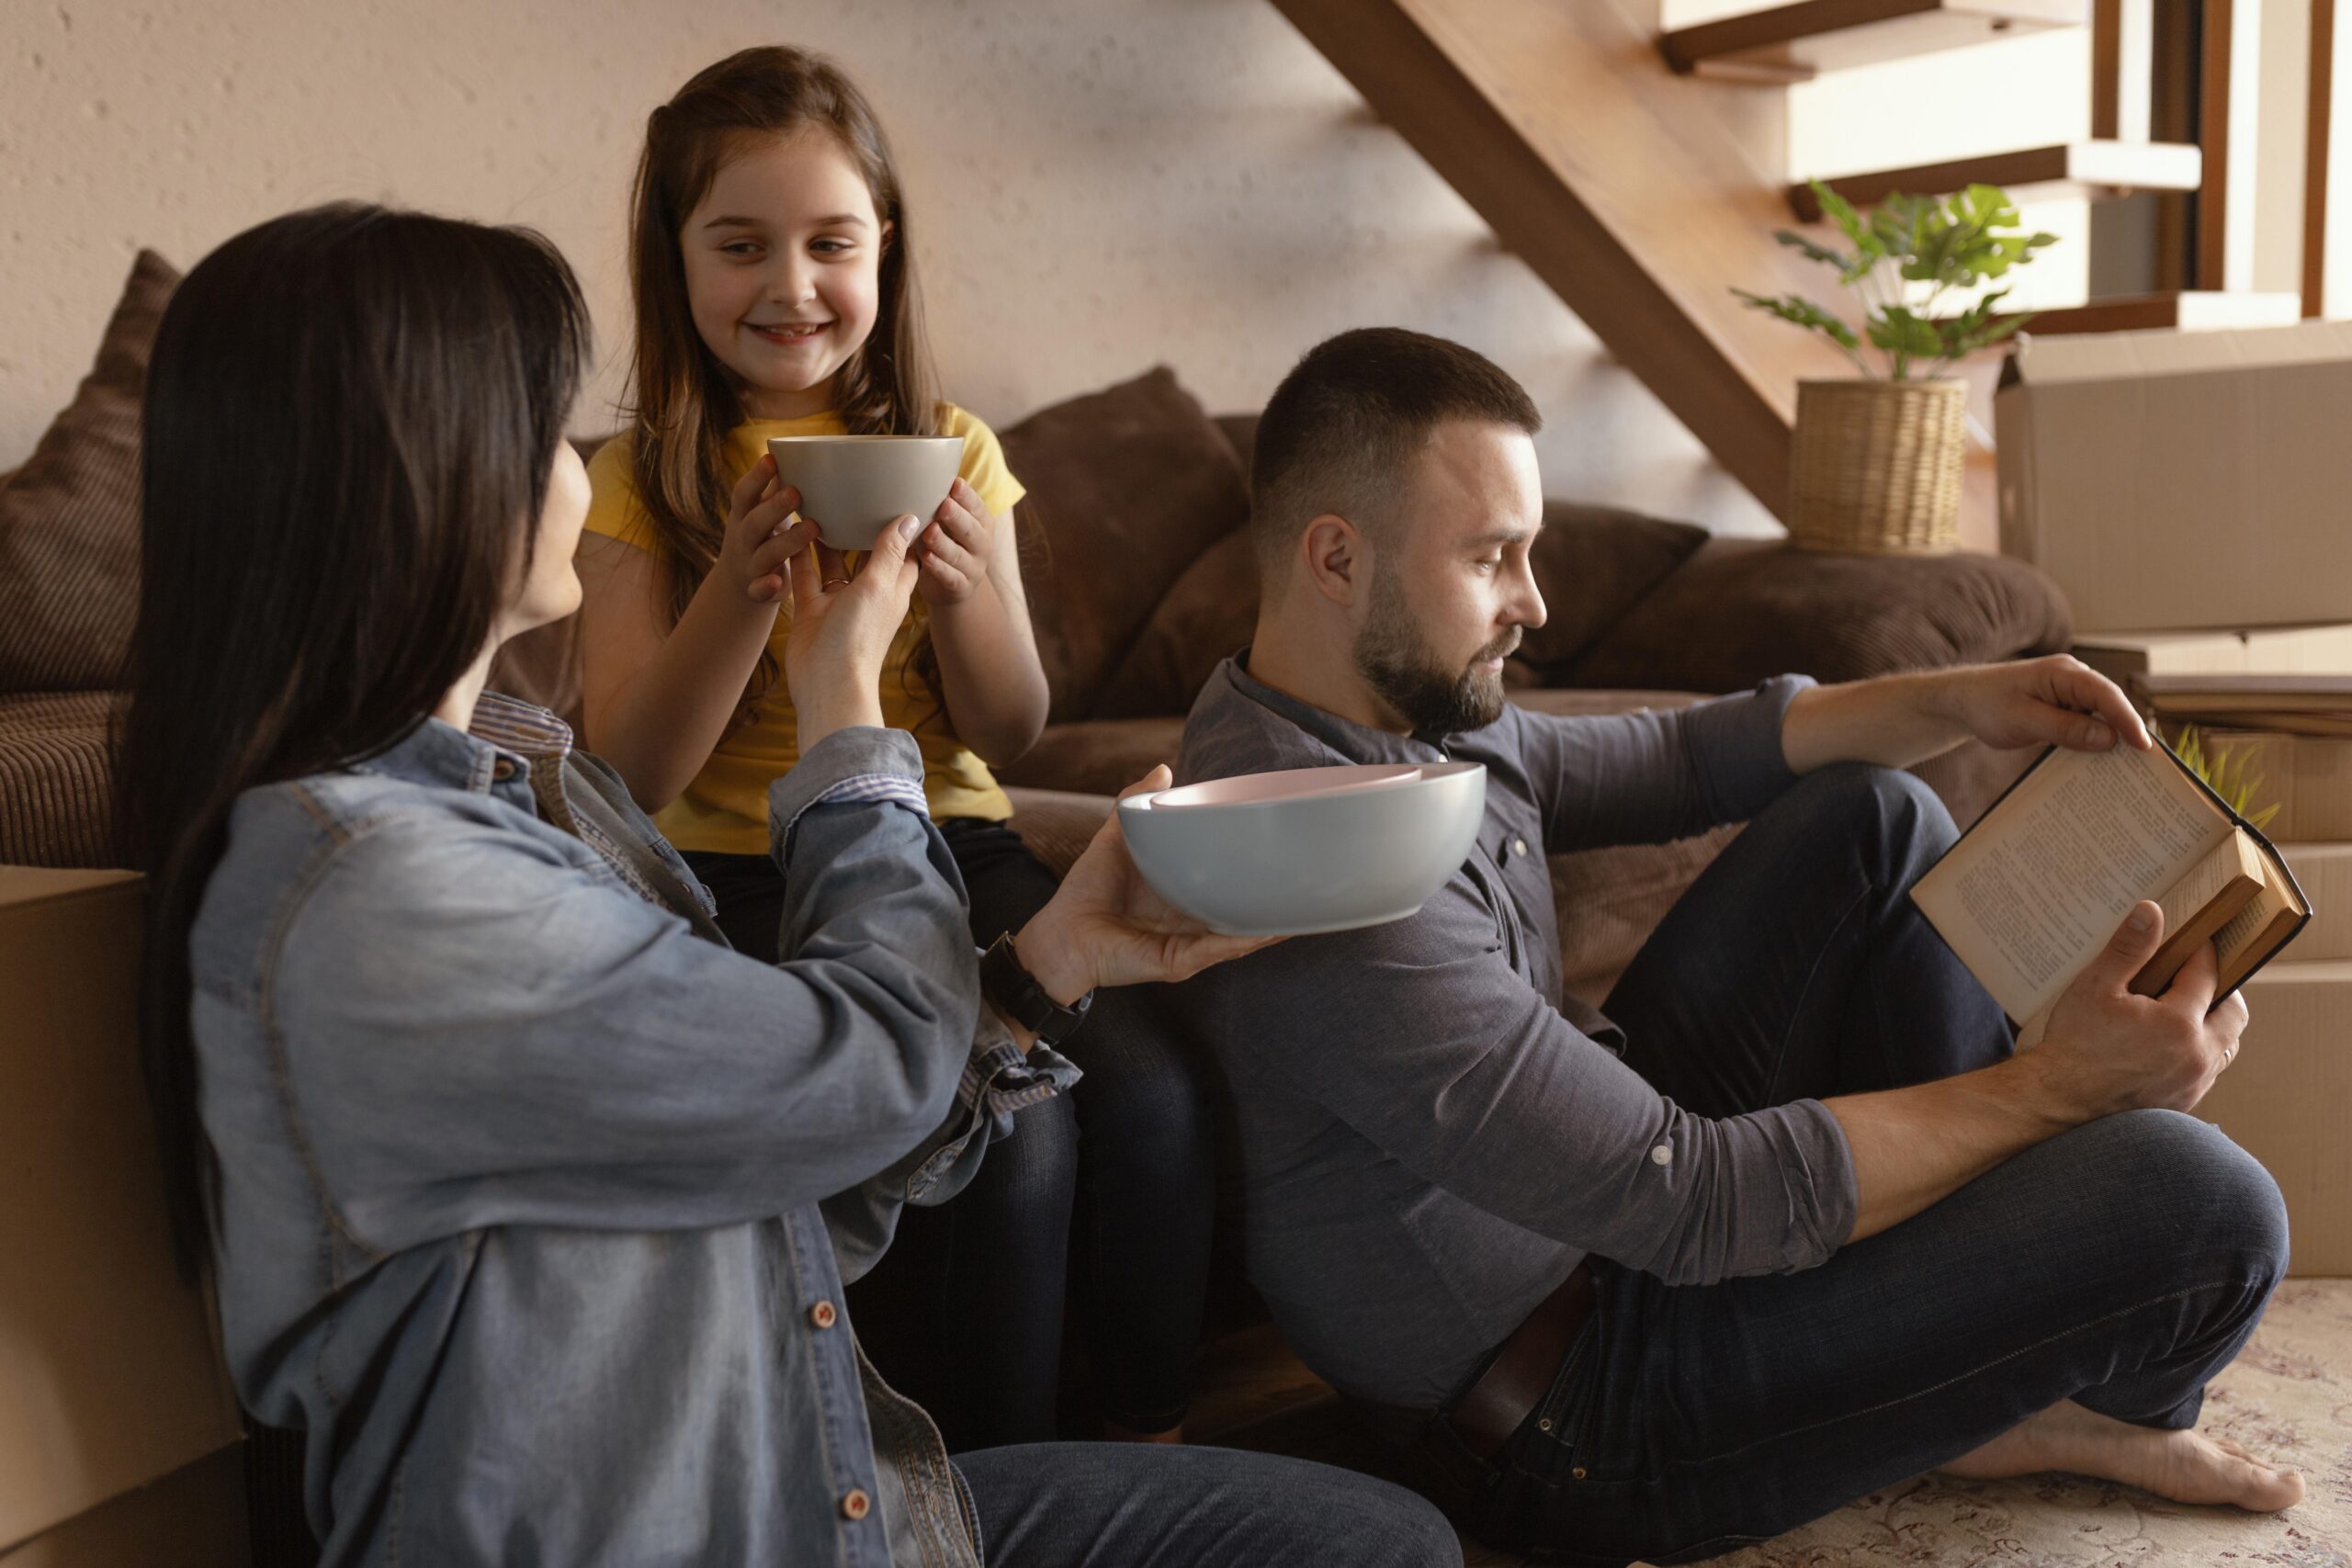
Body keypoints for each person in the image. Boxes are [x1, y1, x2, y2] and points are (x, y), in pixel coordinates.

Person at [115, 206, 1464, 1568]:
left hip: (820, 1504)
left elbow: (806, 1165)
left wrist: (1050, 963)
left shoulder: (509, 795)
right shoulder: (379, 891)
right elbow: (861, 1071)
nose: (574, 460)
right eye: (538, 419)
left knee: (1382, 1543)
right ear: (419, 472)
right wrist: (842, 711)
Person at [1169, 325, 2303, 1564]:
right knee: (2205, 1204)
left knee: (1873, 813)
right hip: (1578, 1408)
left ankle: (1937, 1351)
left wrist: (1962, 695)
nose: (1533, 603)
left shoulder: (1369, 705)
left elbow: (1684, 757)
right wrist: (2063, 1088)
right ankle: (1986, 1395)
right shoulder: (1319, 872)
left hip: (1599, 1220)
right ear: (1337, 558)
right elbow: (1704, 1194)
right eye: (1494, 558)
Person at [570, 45, 1214, 1448]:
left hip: (952, 839)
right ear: (675, 262)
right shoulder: (642, 477)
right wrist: (742, 592)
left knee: (1155, 1087)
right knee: (1012, 1137)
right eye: (740, 245)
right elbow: (627, 777)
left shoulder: (955, 449)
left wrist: (970, 598)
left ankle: (1146, 1442)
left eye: (830, 244)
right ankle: (983, 1482)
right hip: (728, 877)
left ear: (886, 253)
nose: (791, 286)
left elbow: (1013, 727)